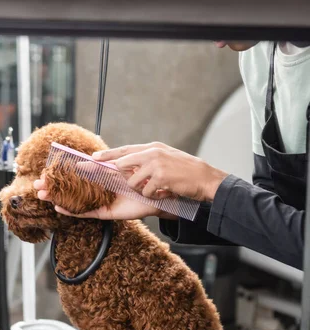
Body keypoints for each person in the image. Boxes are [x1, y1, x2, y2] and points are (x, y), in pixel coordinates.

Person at [34, 41, 310, 270]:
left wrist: (210, 183)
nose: (217, 42)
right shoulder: (257, 55)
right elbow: (281, 211)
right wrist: (175, 206)